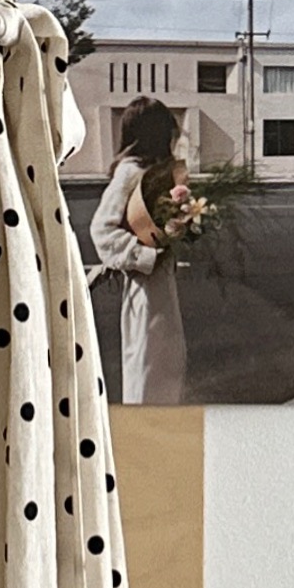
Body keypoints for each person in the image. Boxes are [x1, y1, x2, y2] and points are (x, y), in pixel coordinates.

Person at [92, 96, 190, 402]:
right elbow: (103, 230)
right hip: (145, 288)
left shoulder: (152, 171)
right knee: (148, 369)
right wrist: (146, 255)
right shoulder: (130, 172)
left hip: (160, 285)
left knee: (165, 365)